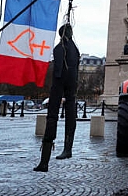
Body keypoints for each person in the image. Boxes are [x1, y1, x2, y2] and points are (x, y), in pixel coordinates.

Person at [34, 23, 80, 172]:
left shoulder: (60, 48)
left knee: (52, 117)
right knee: (70, 114)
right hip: (72, 83)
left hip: (60, 83)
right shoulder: (75, 49)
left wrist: (57, 81)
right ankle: (68, 148)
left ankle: (44, 162)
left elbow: (59, 69)